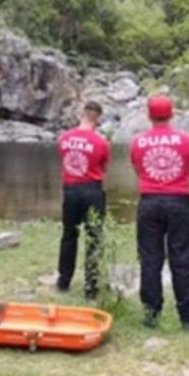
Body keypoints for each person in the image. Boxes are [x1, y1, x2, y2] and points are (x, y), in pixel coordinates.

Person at [129, 96, 189, 331]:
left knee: (150, 259)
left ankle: (151, 314)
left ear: (149, 116)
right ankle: (187, 317)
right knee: (182, 259)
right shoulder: (186, 140)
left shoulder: (137, 142)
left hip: (150, 201)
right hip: (178, 201)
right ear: (172, 114)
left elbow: (139, 170)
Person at [56, 101, 110, 300]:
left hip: (70, 189)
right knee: (94, 237)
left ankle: (64, 280)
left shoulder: (64, 138)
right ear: (98, 118)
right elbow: (103, 168)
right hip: (92, 189)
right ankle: (91, 285)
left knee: (69, 234)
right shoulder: (101, 142)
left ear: (82, 114)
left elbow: (64, 160)